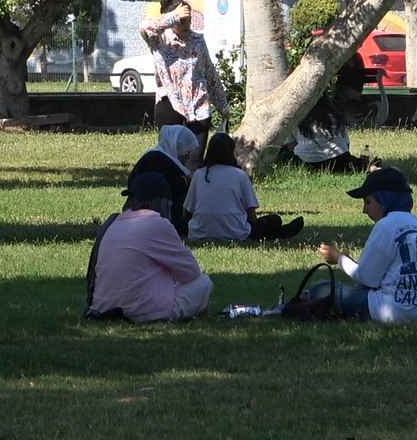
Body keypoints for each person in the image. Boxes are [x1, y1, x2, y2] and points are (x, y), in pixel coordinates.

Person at [315, 167, 417, 323]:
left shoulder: (386, 225)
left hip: (395, 310)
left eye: (368, 201)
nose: (365, 210)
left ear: (384, 199)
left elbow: (365, 278)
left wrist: (339, 258)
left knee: (320, 289)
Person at [87, 172, 214, 323]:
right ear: (162, 203)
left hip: (103, 308)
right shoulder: (157, 223)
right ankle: (200, 322)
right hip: (143, 312)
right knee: (204, 282)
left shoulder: (114, 223)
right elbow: (191, 272)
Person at [140, 0, 231, 169]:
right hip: (170, 105)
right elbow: (144, 27)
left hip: (199, 106)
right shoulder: (159, 40)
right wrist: (174, 16)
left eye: (189, 20)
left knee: (194, 161)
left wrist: (223, 105)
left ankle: (191, 195)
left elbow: (210, 73)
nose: (186, 24)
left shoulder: (198, 40)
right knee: (170, 160)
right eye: (182, 21)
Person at [184, 133, 305, 241]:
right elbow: (251, 215)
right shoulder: (240, 175)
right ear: (231, 152)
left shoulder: (199, 175)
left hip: (199, 232)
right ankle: (283, 232)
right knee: (274, 220)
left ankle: (280, 233)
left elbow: (187, 211)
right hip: (236, 233)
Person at [127, 125, 198, 238]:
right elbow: (162, 188)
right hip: (156, 215)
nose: (188, 156)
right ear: (177, 146)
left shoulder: (159, 156)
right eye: (186, 151)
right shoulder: (157, 160)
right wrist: (187, 179)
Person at [280, 96, 375, 173]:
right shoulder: (335, 116)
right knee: (357, 164)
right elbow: (346, 144)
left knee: (282, 154)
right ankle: (370, 167)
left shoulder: (297, 120)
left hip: (308, 162)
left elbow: (290, 145)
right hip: (339, 158)